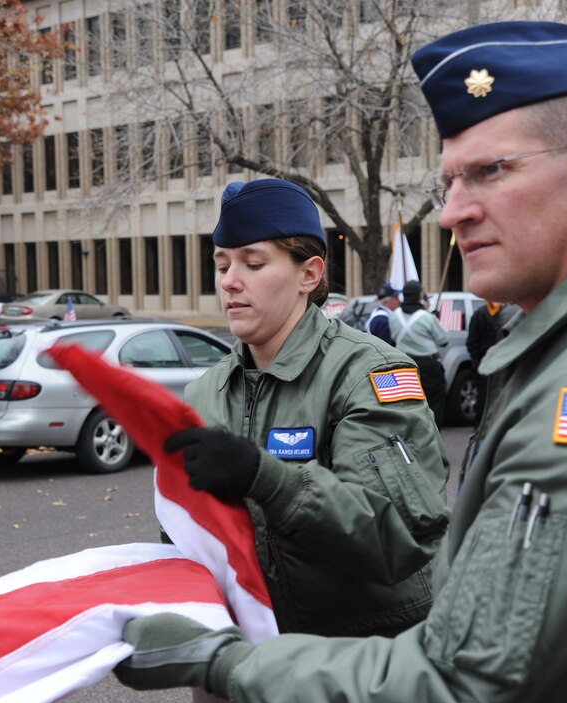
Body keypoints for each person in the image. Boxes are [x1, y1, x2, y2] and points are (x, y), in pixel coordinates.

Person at [114, 21, 567, 703]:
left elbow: (468, 684)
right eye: (449, 179)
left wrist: (222, 660)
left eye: (491, 171)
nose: (452, 212)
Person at [162, 177, 450, 640]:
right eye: (221, 265)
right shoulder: (203, 393)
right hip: (254, 658)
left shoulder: (370, 374)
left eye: (253, 263)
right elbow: (184, 533)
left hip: (368, 655)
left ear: (309, 275)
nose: (230, 281)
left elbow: (395, 536)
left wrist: (266, 478)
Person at [392, 280, 450, 426]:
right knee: (434, 404)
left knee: (407, 405)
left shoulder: (394, 315)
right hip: (428, 366)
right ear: (420, 295)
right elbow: (444, 340)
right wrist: (435, 318)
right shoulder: (426, 317)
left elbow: (393, 337)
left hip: (402, 365)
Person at [465, 300, 518, 422]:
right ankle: (481, 426)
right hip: (483, 365)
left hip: (502, 363)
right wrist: (477, 361)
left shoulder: (506, 313)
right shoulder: (480, 314)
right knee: (484, 398)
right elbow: (472, 342)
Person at [363, 282, 400, 346]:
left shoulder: (377, 312)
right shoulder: (384, 320)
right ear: (386, 301)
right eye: (396, 298)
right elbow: (388, 349)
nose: (399, 301)